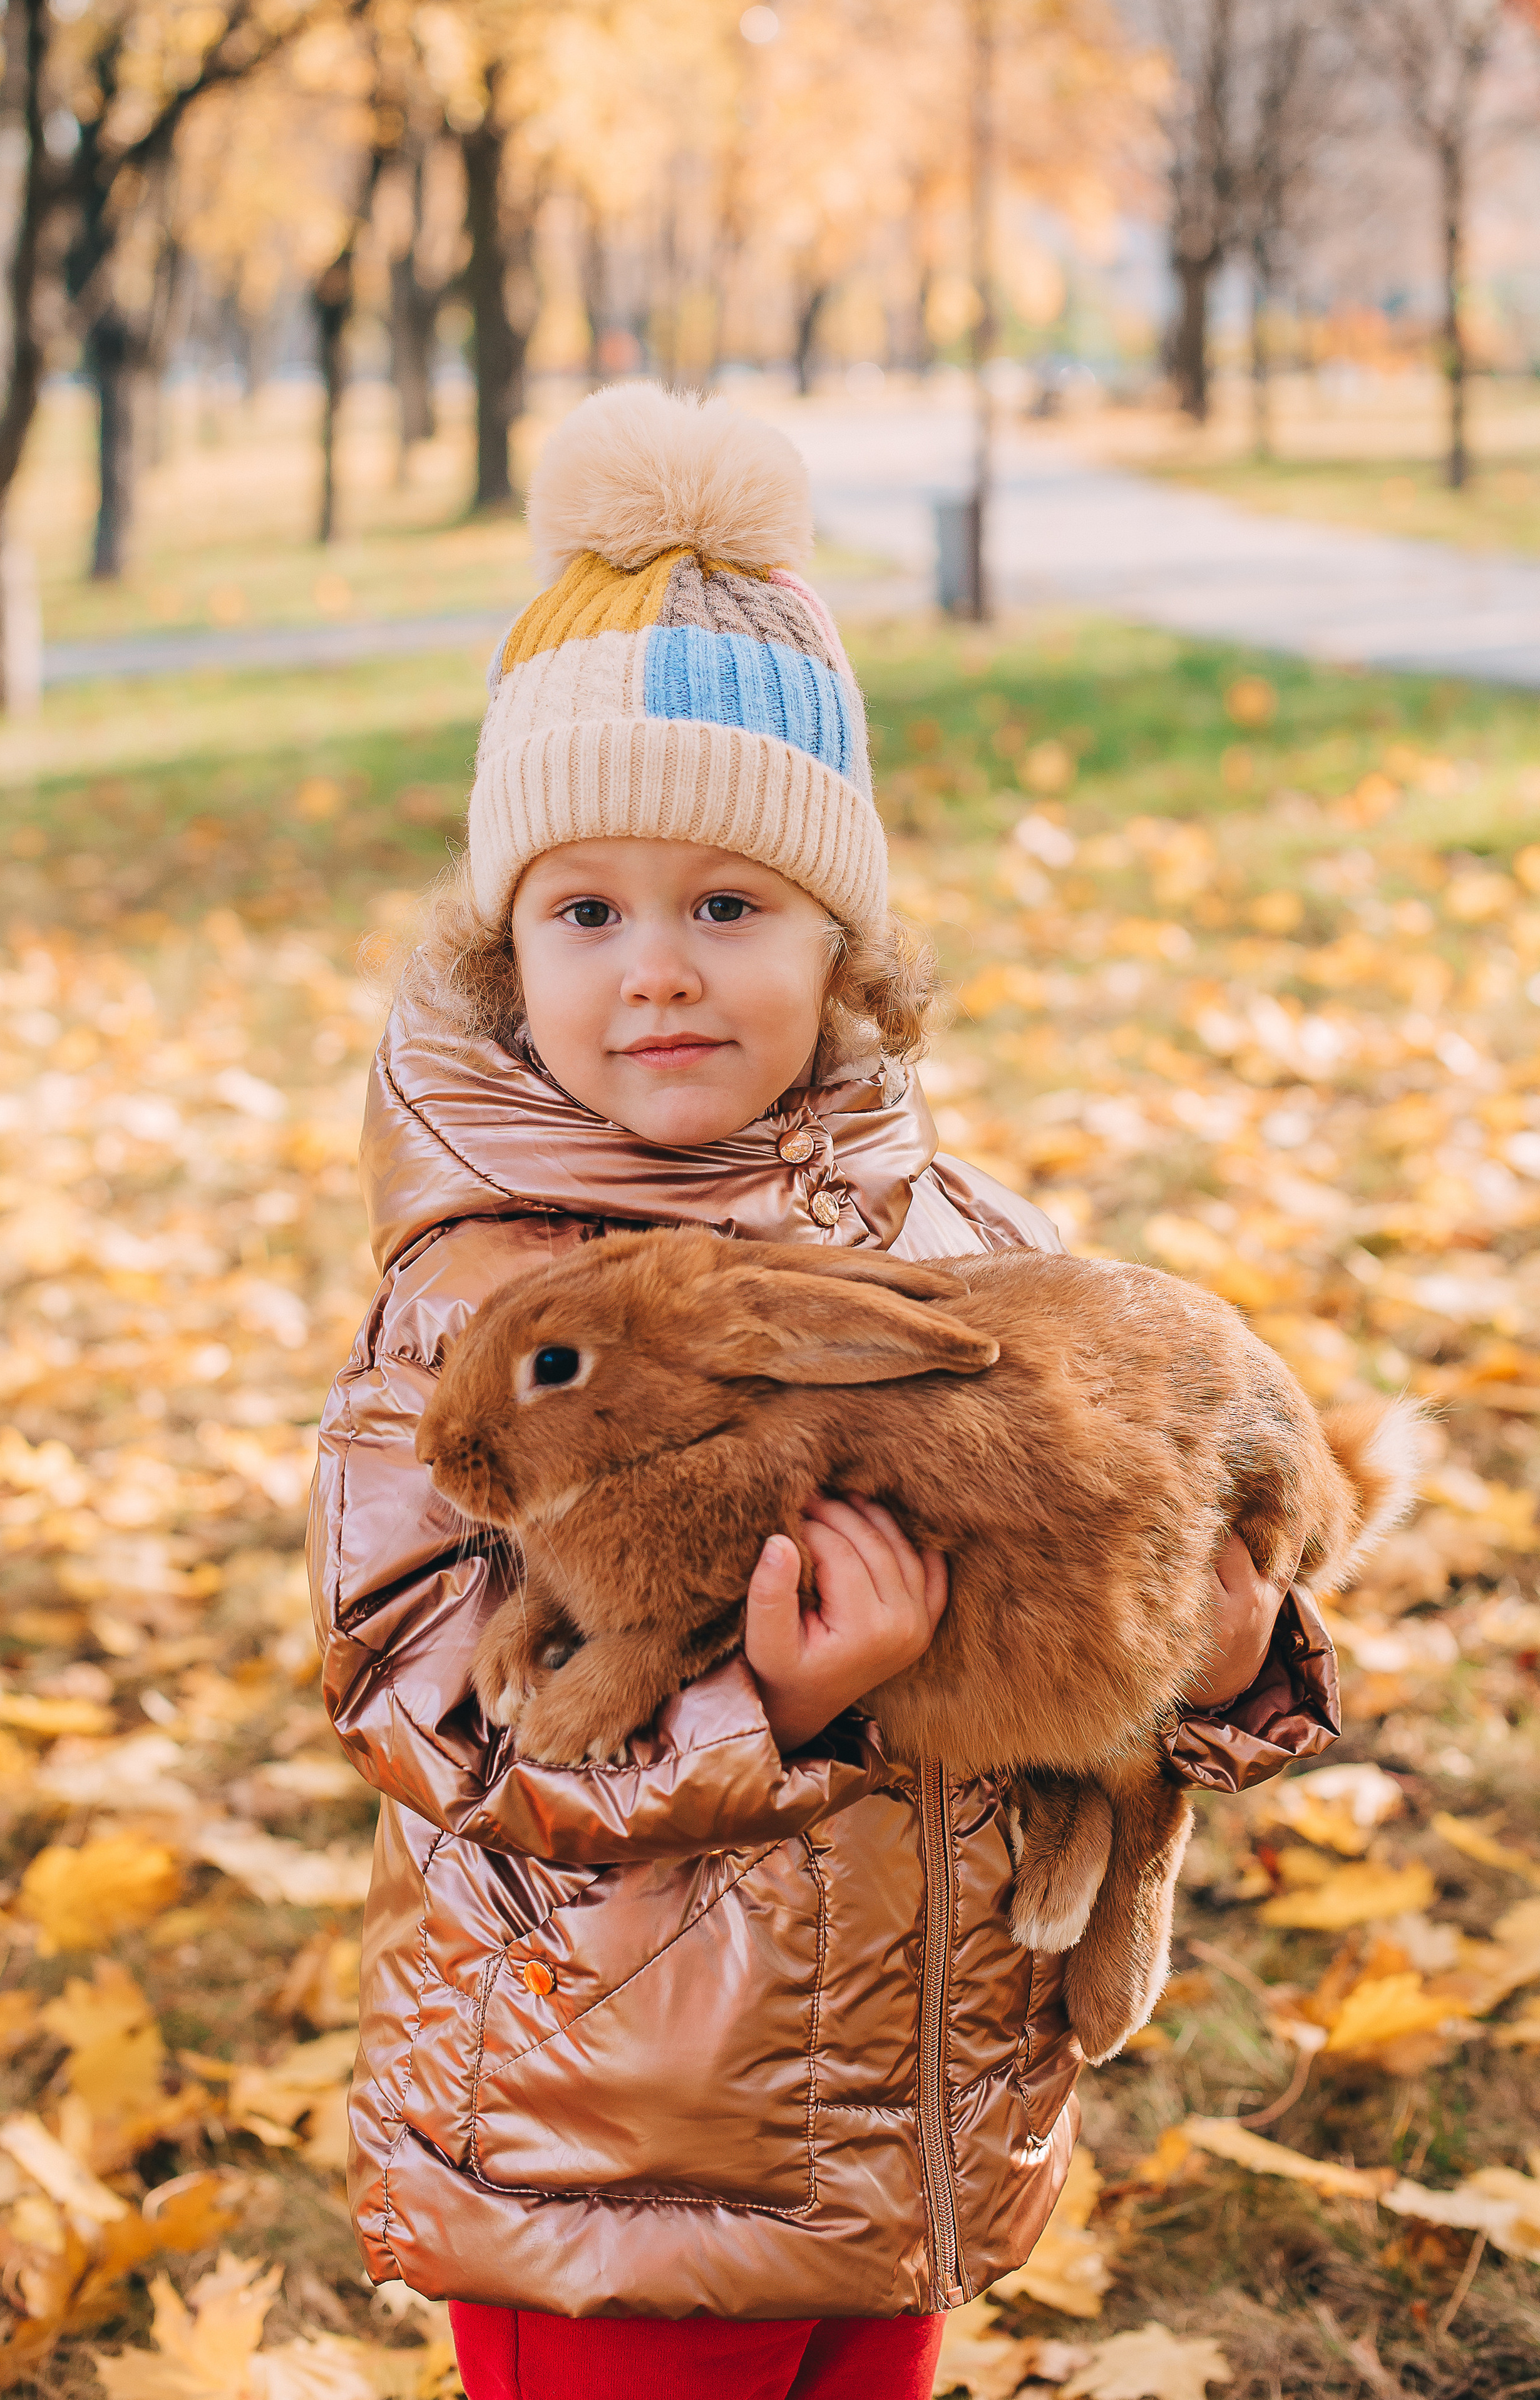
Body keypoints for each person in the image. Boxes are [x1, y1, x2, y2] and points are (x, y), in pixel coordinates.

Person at [309, 384, 1339, 2400]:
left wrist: (1222, 1662)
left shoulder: (963, 1243)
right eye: (587, 910)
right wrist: (764, 1703)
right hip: (613, 2165)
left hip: (914, 2131)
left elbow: (1104, 1532)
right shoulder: (475, 1309)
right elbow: (409, 1695)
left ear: (838, 942)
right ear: (510, 952)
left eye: (729, 904)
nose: (661, 970)